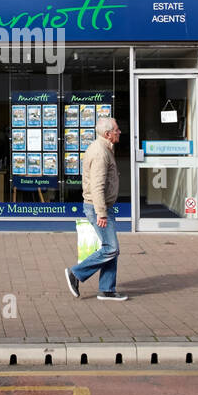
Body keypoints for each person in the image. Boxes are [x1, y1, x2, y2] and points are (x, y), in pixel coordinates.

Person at [66, 116, 127, 301]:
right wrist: (101, 213)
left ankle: (107, 289)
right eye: (117, 129)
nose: (119, 132)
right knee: (111, 248)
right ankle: (76, 274)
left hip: (103, 206)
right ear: (108, 134)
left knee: (110, 247)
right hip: (98, 207)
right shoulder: (100, 153)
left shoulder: (104, 147)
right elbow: (97, 186)